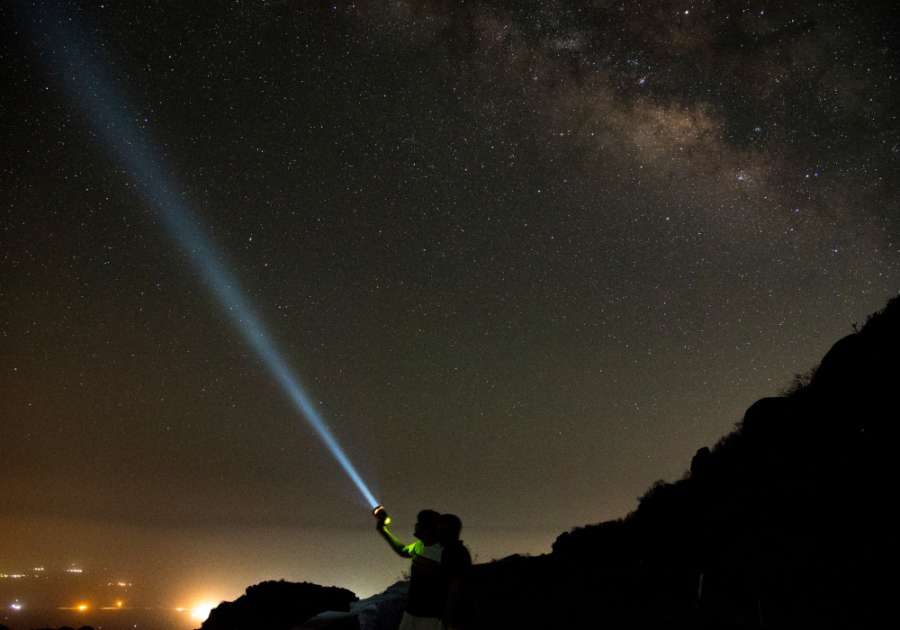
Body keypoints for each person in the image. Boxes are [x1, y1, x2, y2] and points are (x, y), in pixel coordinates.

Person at [376, 508, 445, 630]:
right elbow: (403, 551)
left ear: (426, 529)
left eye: (419, 524)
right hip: (411, 612)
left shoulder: (443, 553)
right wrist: (383, 531)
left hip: (430, 616)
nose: (416, 526)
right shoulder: (420, 545)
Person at [437, 514, 474, 630]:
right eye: (439, 531)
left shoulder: (453, 553)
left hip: (456, 621)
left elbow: (454, 589)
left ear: (454, 532)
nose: (440, 535)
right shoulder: (459, 551)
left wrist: (444, 623)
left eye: (444, 531)